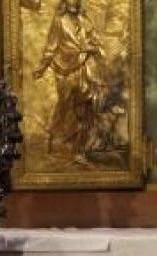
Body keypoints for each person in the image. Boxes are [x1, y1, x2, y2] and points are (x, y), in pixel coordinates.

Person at [33, 0, 105, 163]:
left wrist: (93, 48)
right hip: (65, 70)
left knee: (85, 110)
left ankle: (79, 150)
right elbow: (51, 47)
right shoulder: (59, 21)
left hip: (85, 70)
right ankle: (55, 145)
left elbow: (99, 46)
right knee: (64, 108)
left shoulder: (86, 20)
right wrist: (42, 67)